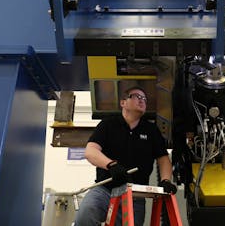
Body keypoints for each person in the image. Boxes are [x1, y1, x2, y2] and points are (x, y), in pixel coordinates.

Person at [75, 86, 177, 226]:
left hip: (135, 194)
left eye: (144, 99)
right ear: (123, 102)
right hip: (105, 189)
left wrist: (166, 180)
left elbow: (163, 159)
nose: (142, 101)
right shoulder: (108, 125)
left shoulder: (151, 130)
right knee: (85, 215)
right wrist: (111, 165)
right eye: (137, 96)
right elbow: (91, 151)